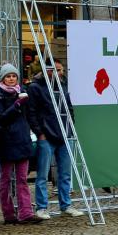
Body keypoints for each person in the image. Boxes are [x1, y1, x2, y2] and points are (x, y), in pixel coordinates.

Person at [27, 59, 84, 218]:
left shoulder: (63, 85)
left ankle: (65, 205)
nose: (62, 73)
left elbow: (69, 108)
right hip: (46, 136)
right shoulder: (35, 87)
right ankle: (41, 207)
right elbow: (31, 113)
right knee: (43, 175)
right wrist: (40, 133)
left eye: (62, 70)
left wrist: (70, 127)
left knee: (65, 174)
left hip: (64, 135)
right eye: (58, 70)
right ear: (49, 70)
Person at [0, 64, 38, 224]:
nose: (11, 79)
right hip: (6, 142)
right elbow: (2, 118)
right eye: (8, 76)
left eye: (14, 76)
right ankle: (8, 214)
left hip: (22, 140)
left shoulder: (22, 93)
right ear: (2, 78)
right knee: (5, 179)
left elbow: (28, 116)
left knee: (22, 179)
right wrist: (17, 105)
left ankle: (26, 213)